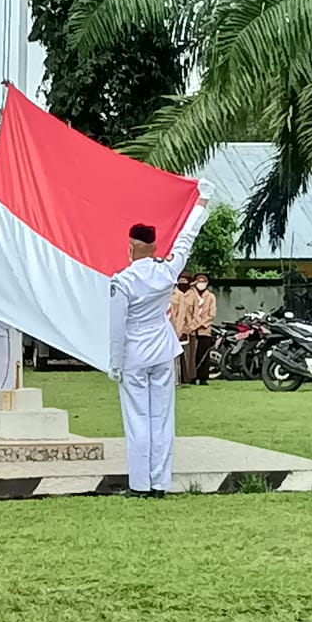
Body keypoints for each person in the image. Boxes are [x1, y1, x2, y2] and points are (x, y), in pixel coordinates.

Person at [109, 184, 213, 497]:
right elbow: (186, 238)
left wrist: (114, 364)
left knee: (138, 419)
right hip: (163, 351)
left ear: (130, 247)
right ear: (153, 247)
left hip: (135, 354)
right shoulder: (167, 271)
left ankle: (139, 484)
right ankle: (160, 483)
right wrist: (202, 202)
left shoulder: (122, 280)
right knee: (163, 419)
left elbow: (117, 327)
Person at [189, 272, 217, 385]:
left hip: (204, 330)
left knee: (204, 354)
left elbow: (212, 314)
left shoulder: (211, 297)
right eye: (199, 281)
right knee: (192, 354)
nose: (201, 284)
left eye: (203, 282)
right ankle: (192, 376)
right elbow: (188, 311)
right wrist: (193, 324)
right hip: (191, 329)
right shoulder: (191, 295)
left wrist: (201, 323)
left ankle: (203, 377)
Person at [170, 272, 196, 385]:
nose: (182, 284)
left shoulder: (191, 296)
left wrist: (189, 328)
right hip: (170, 329)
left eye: (185, 282)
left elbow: (193, 314)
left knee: (187, 356)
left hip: (186, 329)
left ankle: (186, 378)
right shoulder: (170, 294)